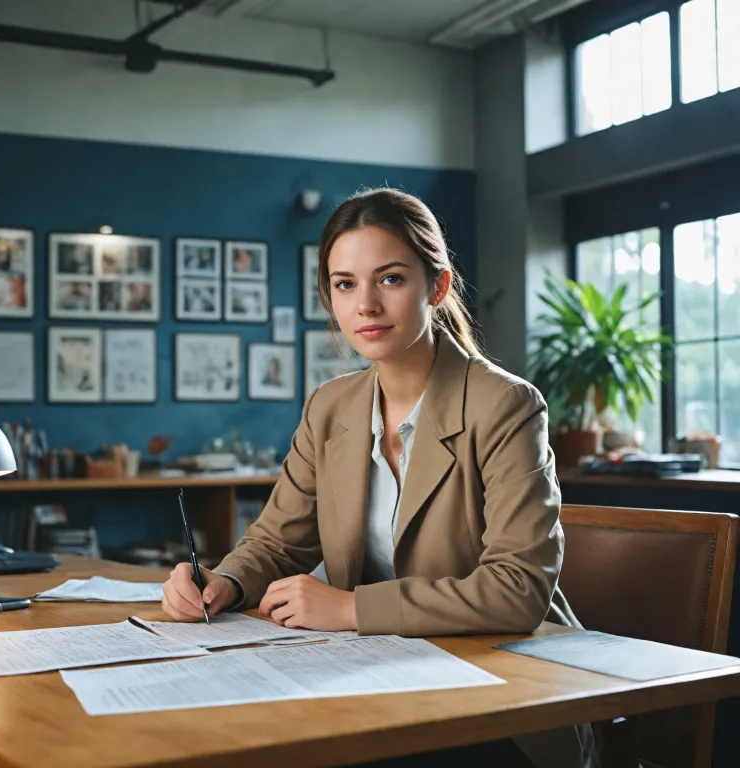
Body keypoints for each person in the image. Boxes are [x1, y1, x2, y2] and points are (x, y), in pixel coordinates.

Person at [162, 188, 597, 768]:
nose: (365, 304)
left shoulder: (506, 405)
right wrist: (224, 584)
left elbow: (517, 591)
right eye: (345, 284)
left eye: (389, 279)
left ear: (437, 287)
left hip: (501, 696)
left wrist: (349, 610)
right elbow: (276, 541)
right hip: (376, 683)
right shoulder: (330, 407)